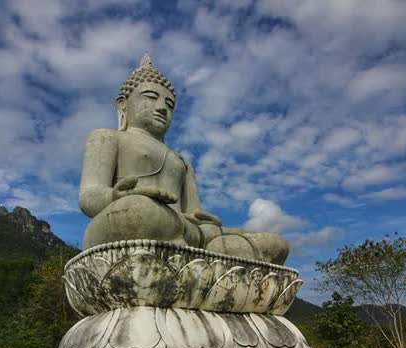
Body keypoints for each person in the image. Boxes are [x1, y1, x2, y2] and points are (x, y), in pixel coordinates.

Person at [79, 54, 289, 265]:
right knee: (139, 209)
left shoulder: (182, 162)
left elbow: (193, 214)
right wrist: (115, 196)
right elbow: (89, 197)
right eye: (151, 97)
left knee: (273, 243)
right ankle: (195, 256)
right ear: (122, 104)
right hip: (127, 217)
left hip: (183, 230)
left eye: (169, 104)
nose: (162, 108)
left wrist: (209, 224)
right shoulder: (106, 137)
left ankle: (206, 255)